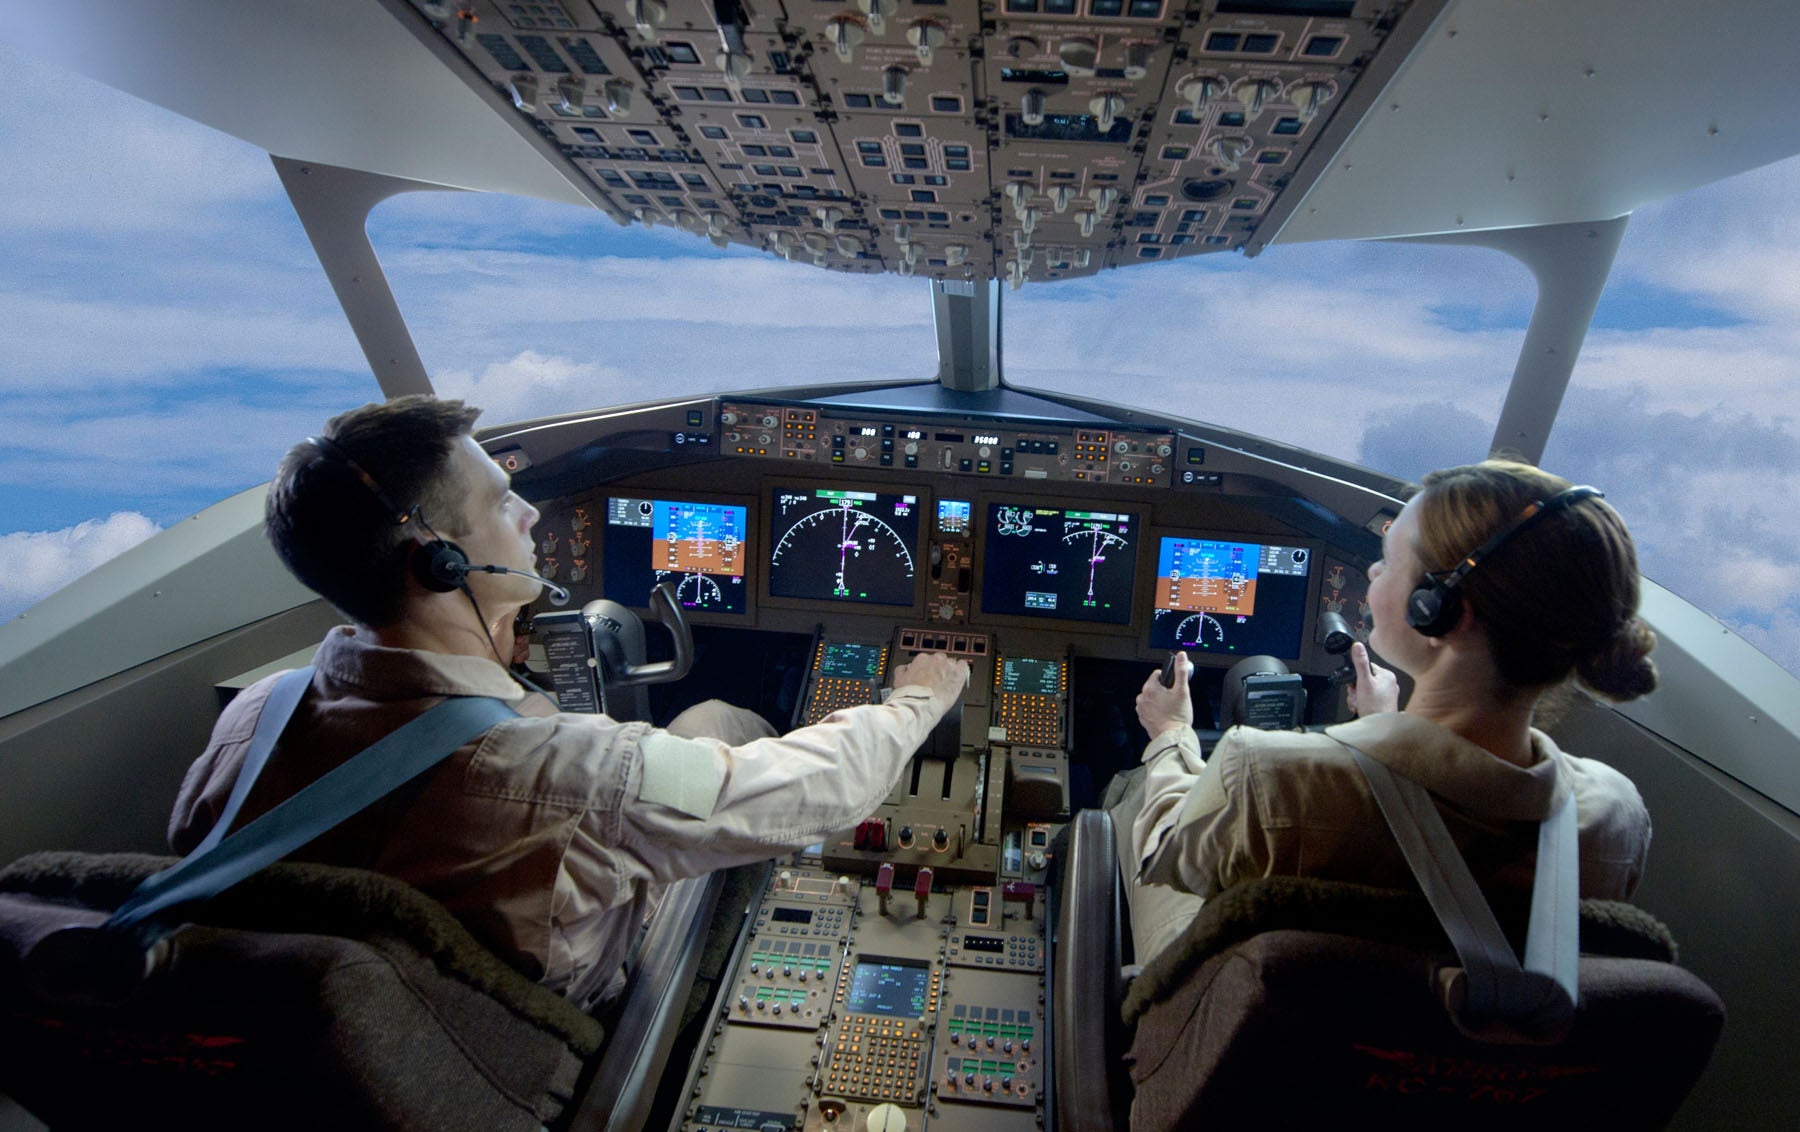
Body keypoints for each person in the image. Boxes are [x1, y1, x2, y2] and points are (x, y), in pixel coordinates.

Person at [169, 396, 970, 1008]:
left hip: (362, 1046)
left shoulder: (249, 723)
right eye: (501, 503)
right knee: (726, 735)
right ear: (441, 563)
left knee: (712, 725)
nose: (532, 513)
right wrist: (915, 700)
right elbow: (820, 789)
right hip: (567, 1021)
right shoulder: (569, 771)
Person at [1128, 459, 1656, 961]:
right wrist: (1379, 727)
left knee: (1133, 795)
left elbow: (1165, 854)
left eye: (1391, 560)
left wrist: (1171, 731)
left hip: (1261, 1027)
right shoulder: (1615, 816)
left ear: (1441, 611)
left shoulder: (1269, 776)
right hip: (1442, 1051)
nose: (1375, 570)